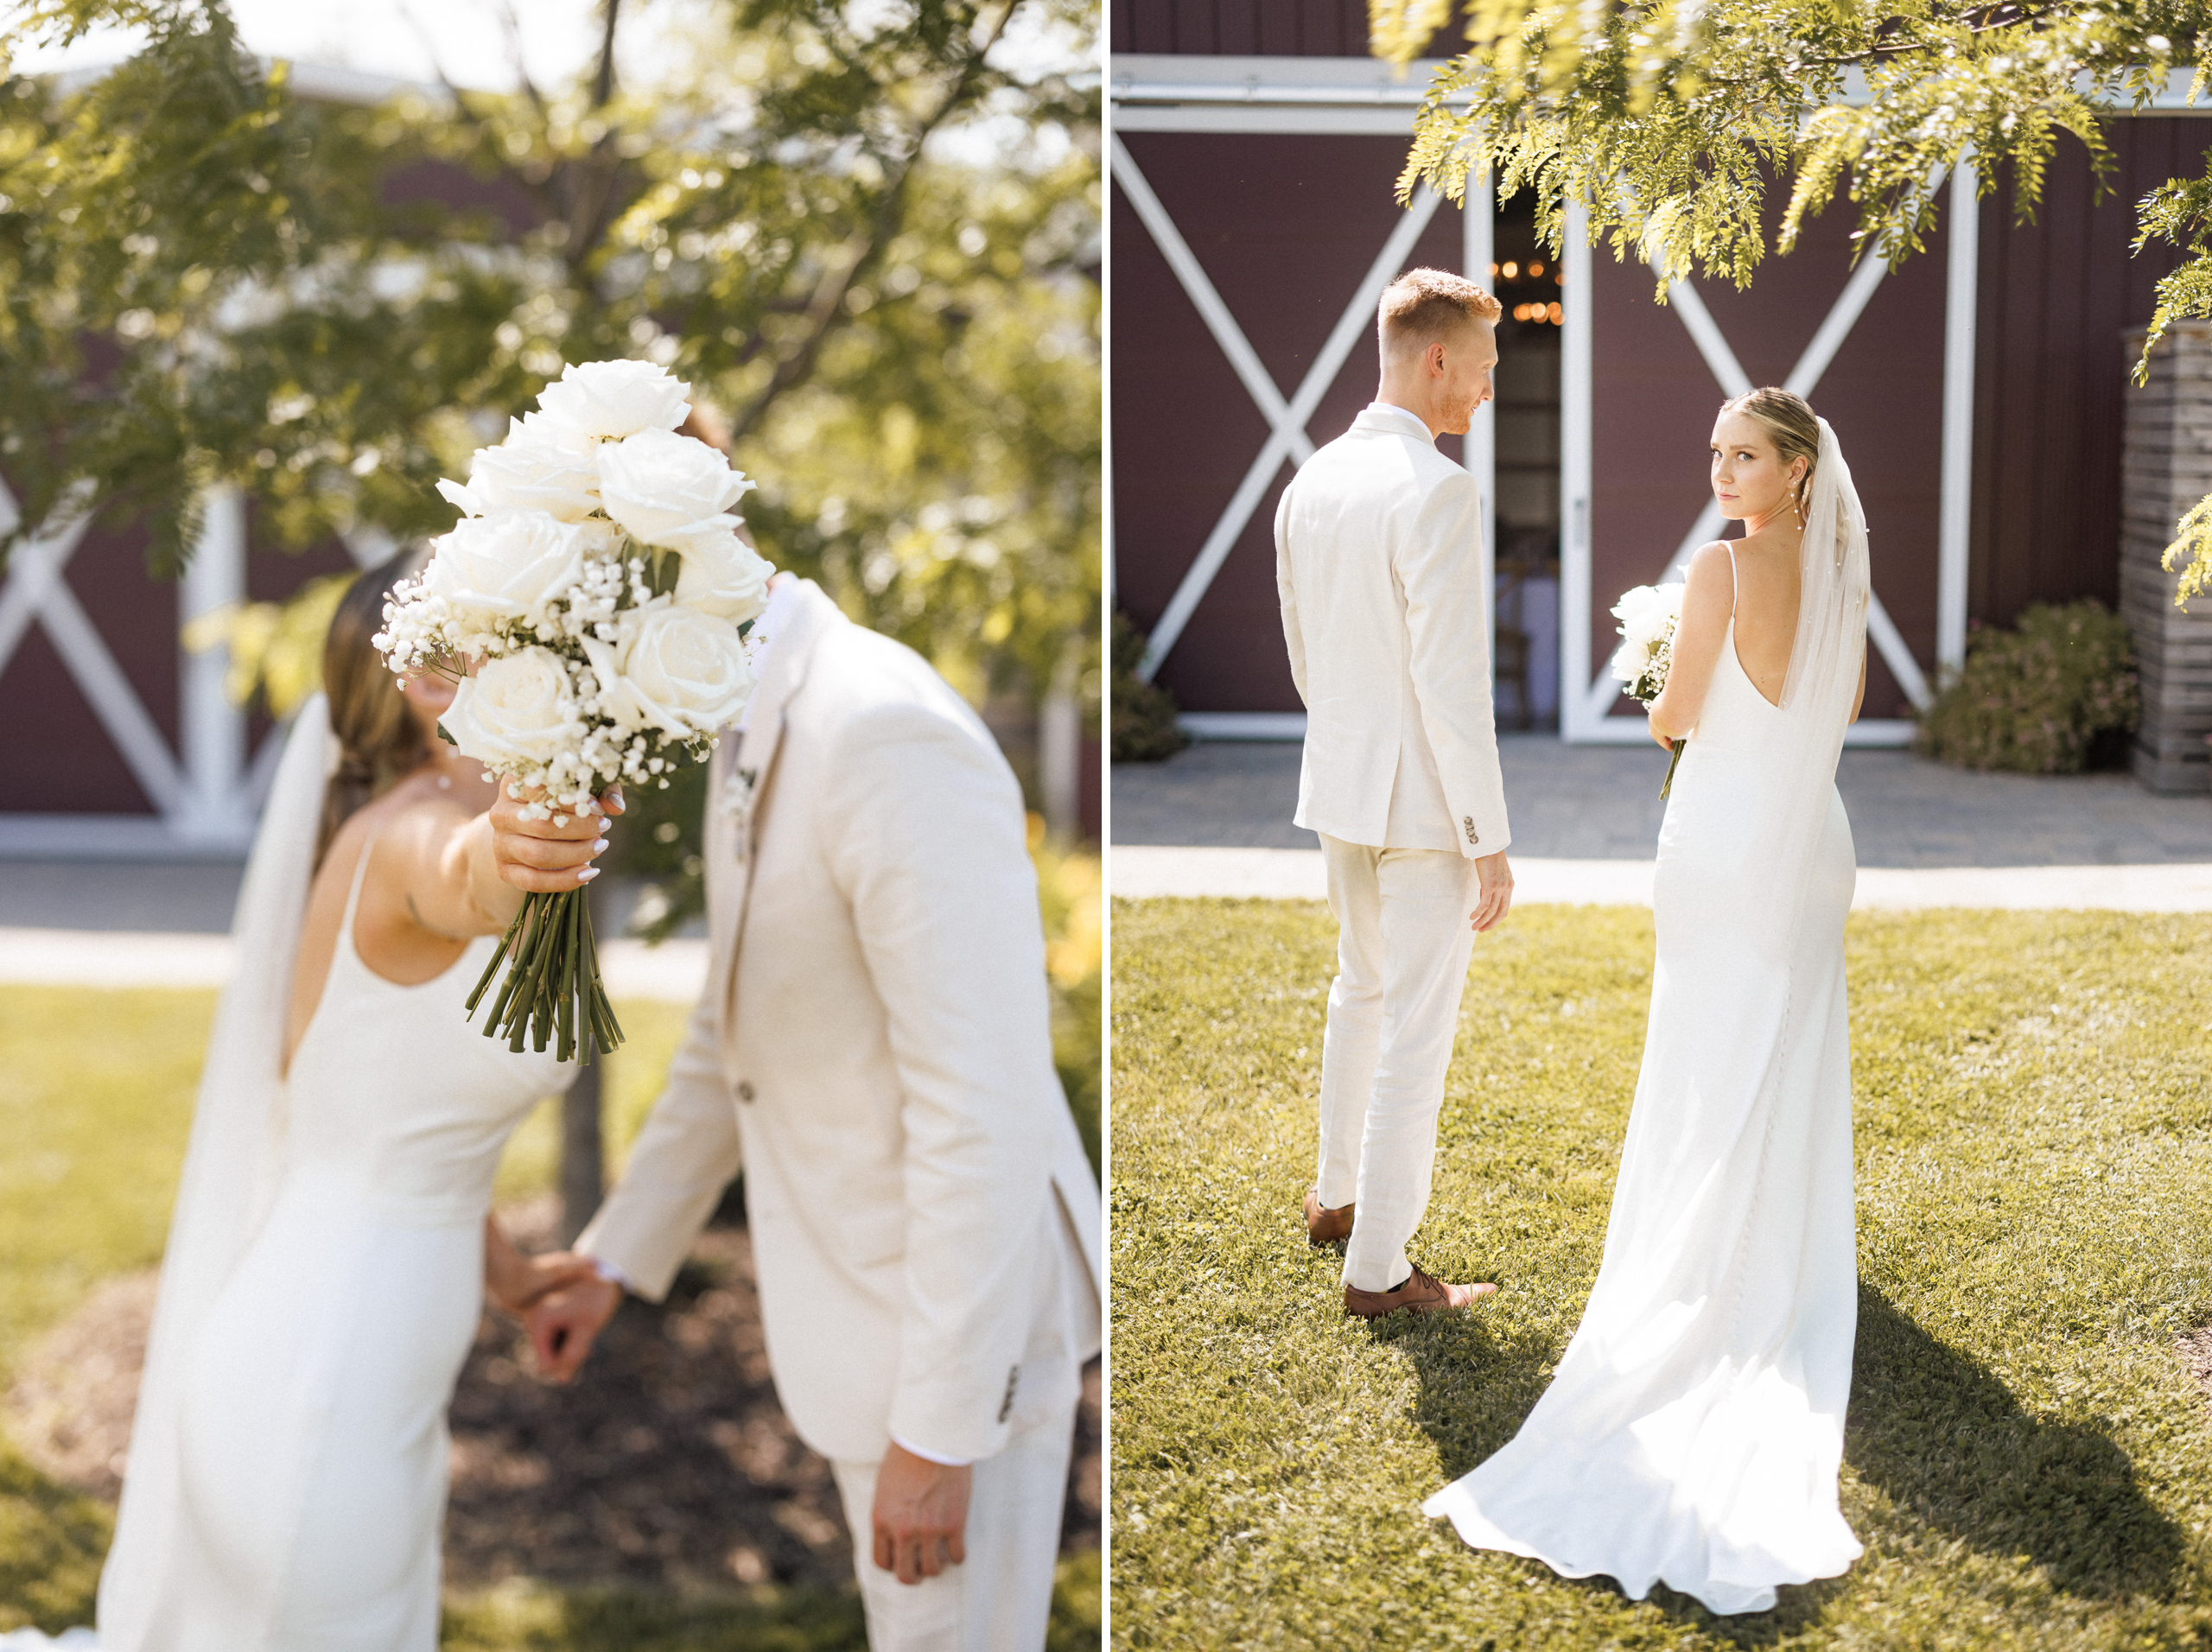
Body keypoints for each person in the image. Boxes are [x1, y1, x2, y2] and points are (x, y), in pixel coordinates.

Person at [502, 572, 1102, 1652]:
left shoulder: (877, 728)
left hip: (948, 1327)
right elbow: (735, 1029)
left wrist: (940, 1427)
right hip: (864, 1298)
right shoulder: (752, 707)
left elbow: (984, 1100)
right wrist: (616, 1259)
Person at [96, 554, 597, 1651]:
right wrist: (525, 845)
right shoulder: (415, 836)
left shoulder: (396, 818)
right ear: (430, 683)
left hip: (366, 1389)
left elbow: (392, 1122)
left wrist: (509, 1272)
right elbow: (475, 873)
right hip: (315, 1398)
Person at [1424, 389, 1870, 1614]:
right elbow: (1836, 711)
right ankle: (1770, 1242)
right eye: (1716, 452)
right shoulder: (1842, 579)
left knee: (1703, 1049)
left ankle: (1706, 1253)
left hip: (1724, 835)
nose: (1722, 471)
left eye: (1744, 456)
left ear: (1793, 470)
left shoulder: (1722, 571)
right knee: (1782, 1042)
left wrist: (1669, 668)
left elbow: (1676, 718)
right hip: (1813, 838)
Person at [1274, 266, 1515, 1318]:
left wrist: (1347, 749)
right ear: (1435, 359)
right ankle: (1376, 1270)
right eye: (1485, 368)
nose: (1487, 391)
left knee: (1357, 991)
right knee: (1414, 1027)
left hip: (1339, 787)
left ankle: (1335, 1199)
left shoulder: (1311, 480)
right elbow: (1452, 682)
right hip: (1421, 807)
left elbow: (1302, 653)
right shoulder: (1437, 490)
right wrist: (1486, 836)